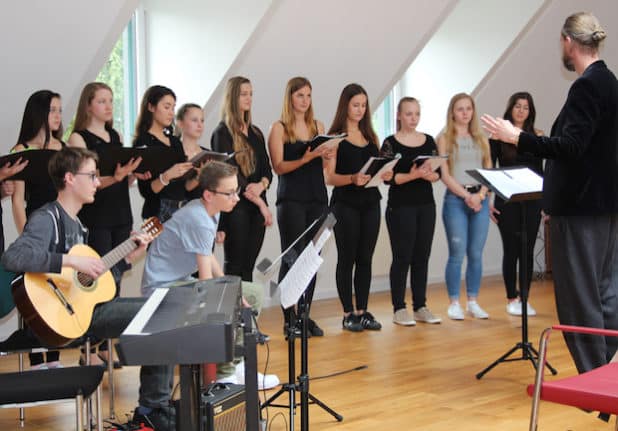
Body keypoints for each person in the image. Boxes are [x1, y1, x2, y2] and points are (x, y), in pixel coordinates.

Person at [482, 12, 618, 375]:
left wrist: (517, 138)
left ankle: (594, 377)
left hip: (580, 210)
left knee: (580, 299)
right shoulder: (611, 82)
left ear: (567, 42)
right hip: (605, 207)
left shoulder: (588, 86)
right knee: (606, 292)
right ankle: (605, 371)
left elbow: (571, 147)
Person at [0, 147, 159, 427]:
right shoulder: (47, 217)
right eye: (93, 175)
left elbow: (94, 284)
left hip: (83, 313)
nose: (98, 182)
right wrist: (71, 260)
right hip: (59, 321)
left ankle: (154, 408)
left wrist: (129, 258)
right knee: (156, 311)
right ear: (70, 178)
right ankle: (152, 411)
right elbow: (14, 257)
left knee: (159, 307)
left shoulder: (79, 227)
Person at [139, 161, 278, 410]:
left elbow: (209, 257)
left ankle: (236, 365)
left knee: (253, 293)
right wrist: (229, 293)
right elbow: (206, 282)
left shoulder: (208, 211)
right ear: (208, 194)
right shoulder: (199, 219)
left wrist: (230, 285)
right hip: (163, 287)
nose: (236, 197)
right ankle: (225, 372)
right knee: (224, 300)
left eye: (236, 190)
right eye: (230, 193)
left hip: (179, 280)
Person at [68, 82, 144, 367]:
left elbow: (121, 176)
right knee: (97, 279)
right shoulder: (78, 138)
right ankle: (88, 346)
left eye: (111, 100)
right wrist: (118, 175)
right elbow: (88, 181)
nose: (108, 106)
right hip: (96, 213)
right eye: (101, 101)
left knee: (117, 275)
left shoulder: (114, 134)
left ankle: (106, 341)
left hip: (120, 211)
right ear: (88, 105)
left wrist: (131, 174)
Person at [324, 83, 393, 332]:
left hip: (371, 203)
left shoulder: (371, 136)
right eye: (356, 105)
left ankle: (363, 311)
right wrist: (353, 178)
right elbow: (329, 178)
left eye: (364, 105)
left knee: (365, 258)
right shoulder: (335, 138)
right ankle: (347, 313)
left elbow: (376, 169)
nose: (360, 110)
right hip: (345, 204)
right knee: (347, 258)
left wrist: (384, 173)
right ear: (345, 106)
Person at [268, 77, 330, 337]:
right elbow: (279, 167)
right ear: (290, 97)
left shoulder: (319, 126)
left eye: (308, 96)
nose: (305, 101)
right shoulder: (279, 127)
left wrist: (326, 155)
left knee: (311, 259)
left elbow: (325, 168)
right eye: (300, 95)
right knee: (292, 258)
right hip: (291, 199)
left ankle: (304, 315)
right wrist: (307, 157)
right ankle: (289, 317)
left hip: (317, 198)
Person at [11, 90, 66, 369]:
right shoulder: (21, 151)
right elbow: (18, 200)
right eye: (52, 110)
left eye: (59, 110)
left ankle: (54, 356)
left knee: (58, 291)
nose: (57, 116)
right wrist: (26, 238)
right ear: (39, 113)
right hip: (36, 227)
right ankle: (35, 358)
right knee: (34, 294)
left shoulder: (62, 148)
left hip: (61, 227)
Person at [381, 97, 441, 326]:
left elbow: (438, 174)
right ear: (398, 115)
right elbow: (387, 178)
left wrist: (429, 174)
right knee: (402, 257)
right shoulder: (390, 143)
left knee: (421, 257)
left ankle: (420, 306)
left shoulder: (429, 141)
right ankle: (399, 308)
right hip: (400, 207)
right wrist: (414, 175)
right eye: (408, 114)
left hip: (426, 206)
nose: (413, 118)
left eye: (416, 114)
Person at [211, 76, 273, 282]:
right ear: (232, 97)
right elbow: (230, 174)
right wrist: (260, 202)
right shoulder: (222, 133)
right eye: (244, 94)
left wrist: (262, 185)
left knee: (248, 267)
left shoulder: (256, 133)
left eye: (251, 94)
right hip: (236, 208)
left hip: (256, 209)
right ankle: (231, 314)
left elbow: (267, 170)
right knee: (235, 267)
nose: (249, 98)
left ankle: (244, 314)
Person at [437, 93, 492, 321]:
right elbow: (445, 175)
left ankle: (473, 301)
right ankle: (454, 302)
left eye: (468, 108)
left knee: (476, 254)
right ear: (452, 112)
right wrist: (466, 196)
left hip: (480, 198)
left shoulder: (481, 137)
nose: (465, 113)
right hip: (456, 200)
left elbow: (488, 169)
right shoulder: (444, 138)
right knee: (457, 253)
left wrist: (480, 195)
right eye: (460, 109)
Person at [488, 92, 543, 317]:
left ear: (530, 112)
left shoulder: (537, 136)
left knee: (527, 250)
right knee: (511, 250)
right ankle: (512, 298)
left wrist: (545, 202)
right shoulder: (497, 137)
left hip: (532, 200)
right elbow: (492, 169)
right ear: (511, 109)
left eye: (526, 107)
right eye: (517, 106)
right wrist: (489, 201)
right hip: (507, 200)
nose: (521, 111)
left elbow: (542, 172)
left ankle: (525, 298)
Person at [132, 85, 194, 222]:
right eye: (167, 107)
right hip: (157, 212)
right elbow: (146, 191)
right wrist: (166, 176)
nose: (171, 113)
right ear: (151, 107)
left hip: (181, 210)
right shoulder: (143, 142)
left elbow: (185, 186)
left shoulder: (175, 142)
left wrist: (198, 174)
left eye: (173, 108)